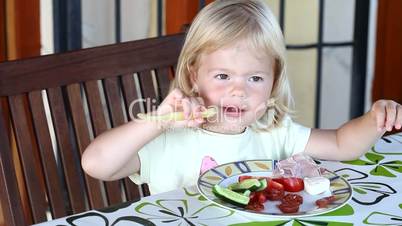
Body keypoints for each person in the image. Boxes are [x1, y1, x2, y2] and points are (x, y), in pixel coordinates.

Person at [81, 0, 402, 195]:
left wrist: (374, 120)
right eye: (223, 76)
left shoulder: (272, 131)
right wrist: (156, 123)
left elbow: (342, 145)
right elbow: (96, 164)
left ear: (273, 81)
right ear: (194, 75)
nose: (239, 90)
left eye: (255, 78)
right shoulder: (170, 140)